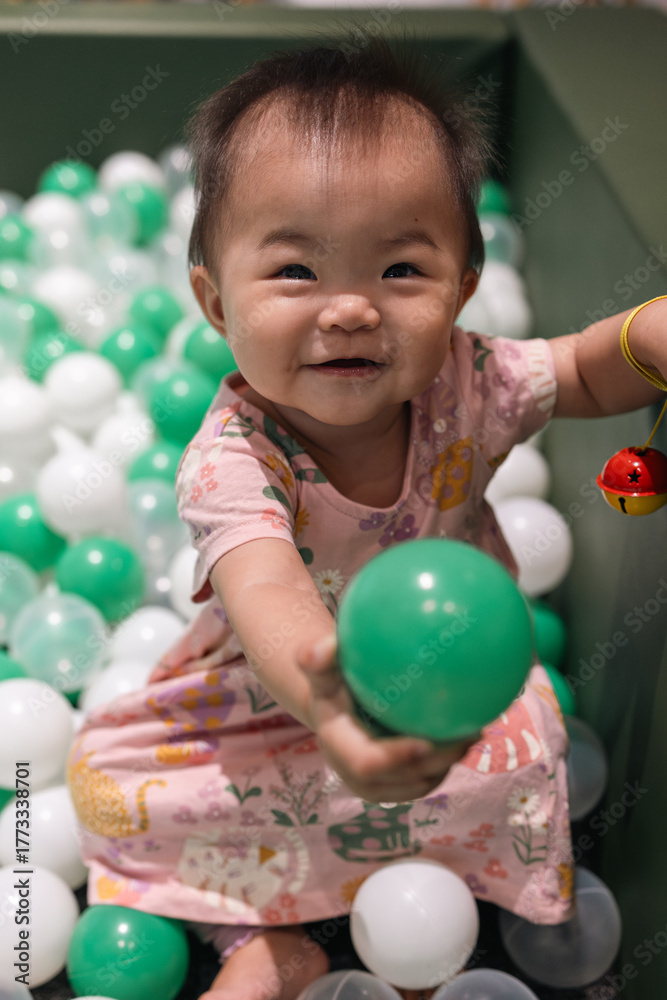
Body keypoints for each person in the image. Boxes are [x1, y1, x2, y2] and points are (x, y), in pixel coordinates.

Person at [67, 27, 667, 1000]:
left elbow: (583, 366)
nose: (349, 310)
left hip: (440, 704)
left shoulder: (469, 382)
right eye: (297, 272)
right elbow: (264, 587)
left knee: (522, 758)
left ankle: (339, 911)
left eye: (400, 271)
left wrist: (646, 334)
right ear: (215, 303)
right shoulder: (232, 453)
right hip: (274, 703)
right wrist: (329, 704)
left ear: (463, 288)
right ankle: (261, 938)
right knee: (108, 781)